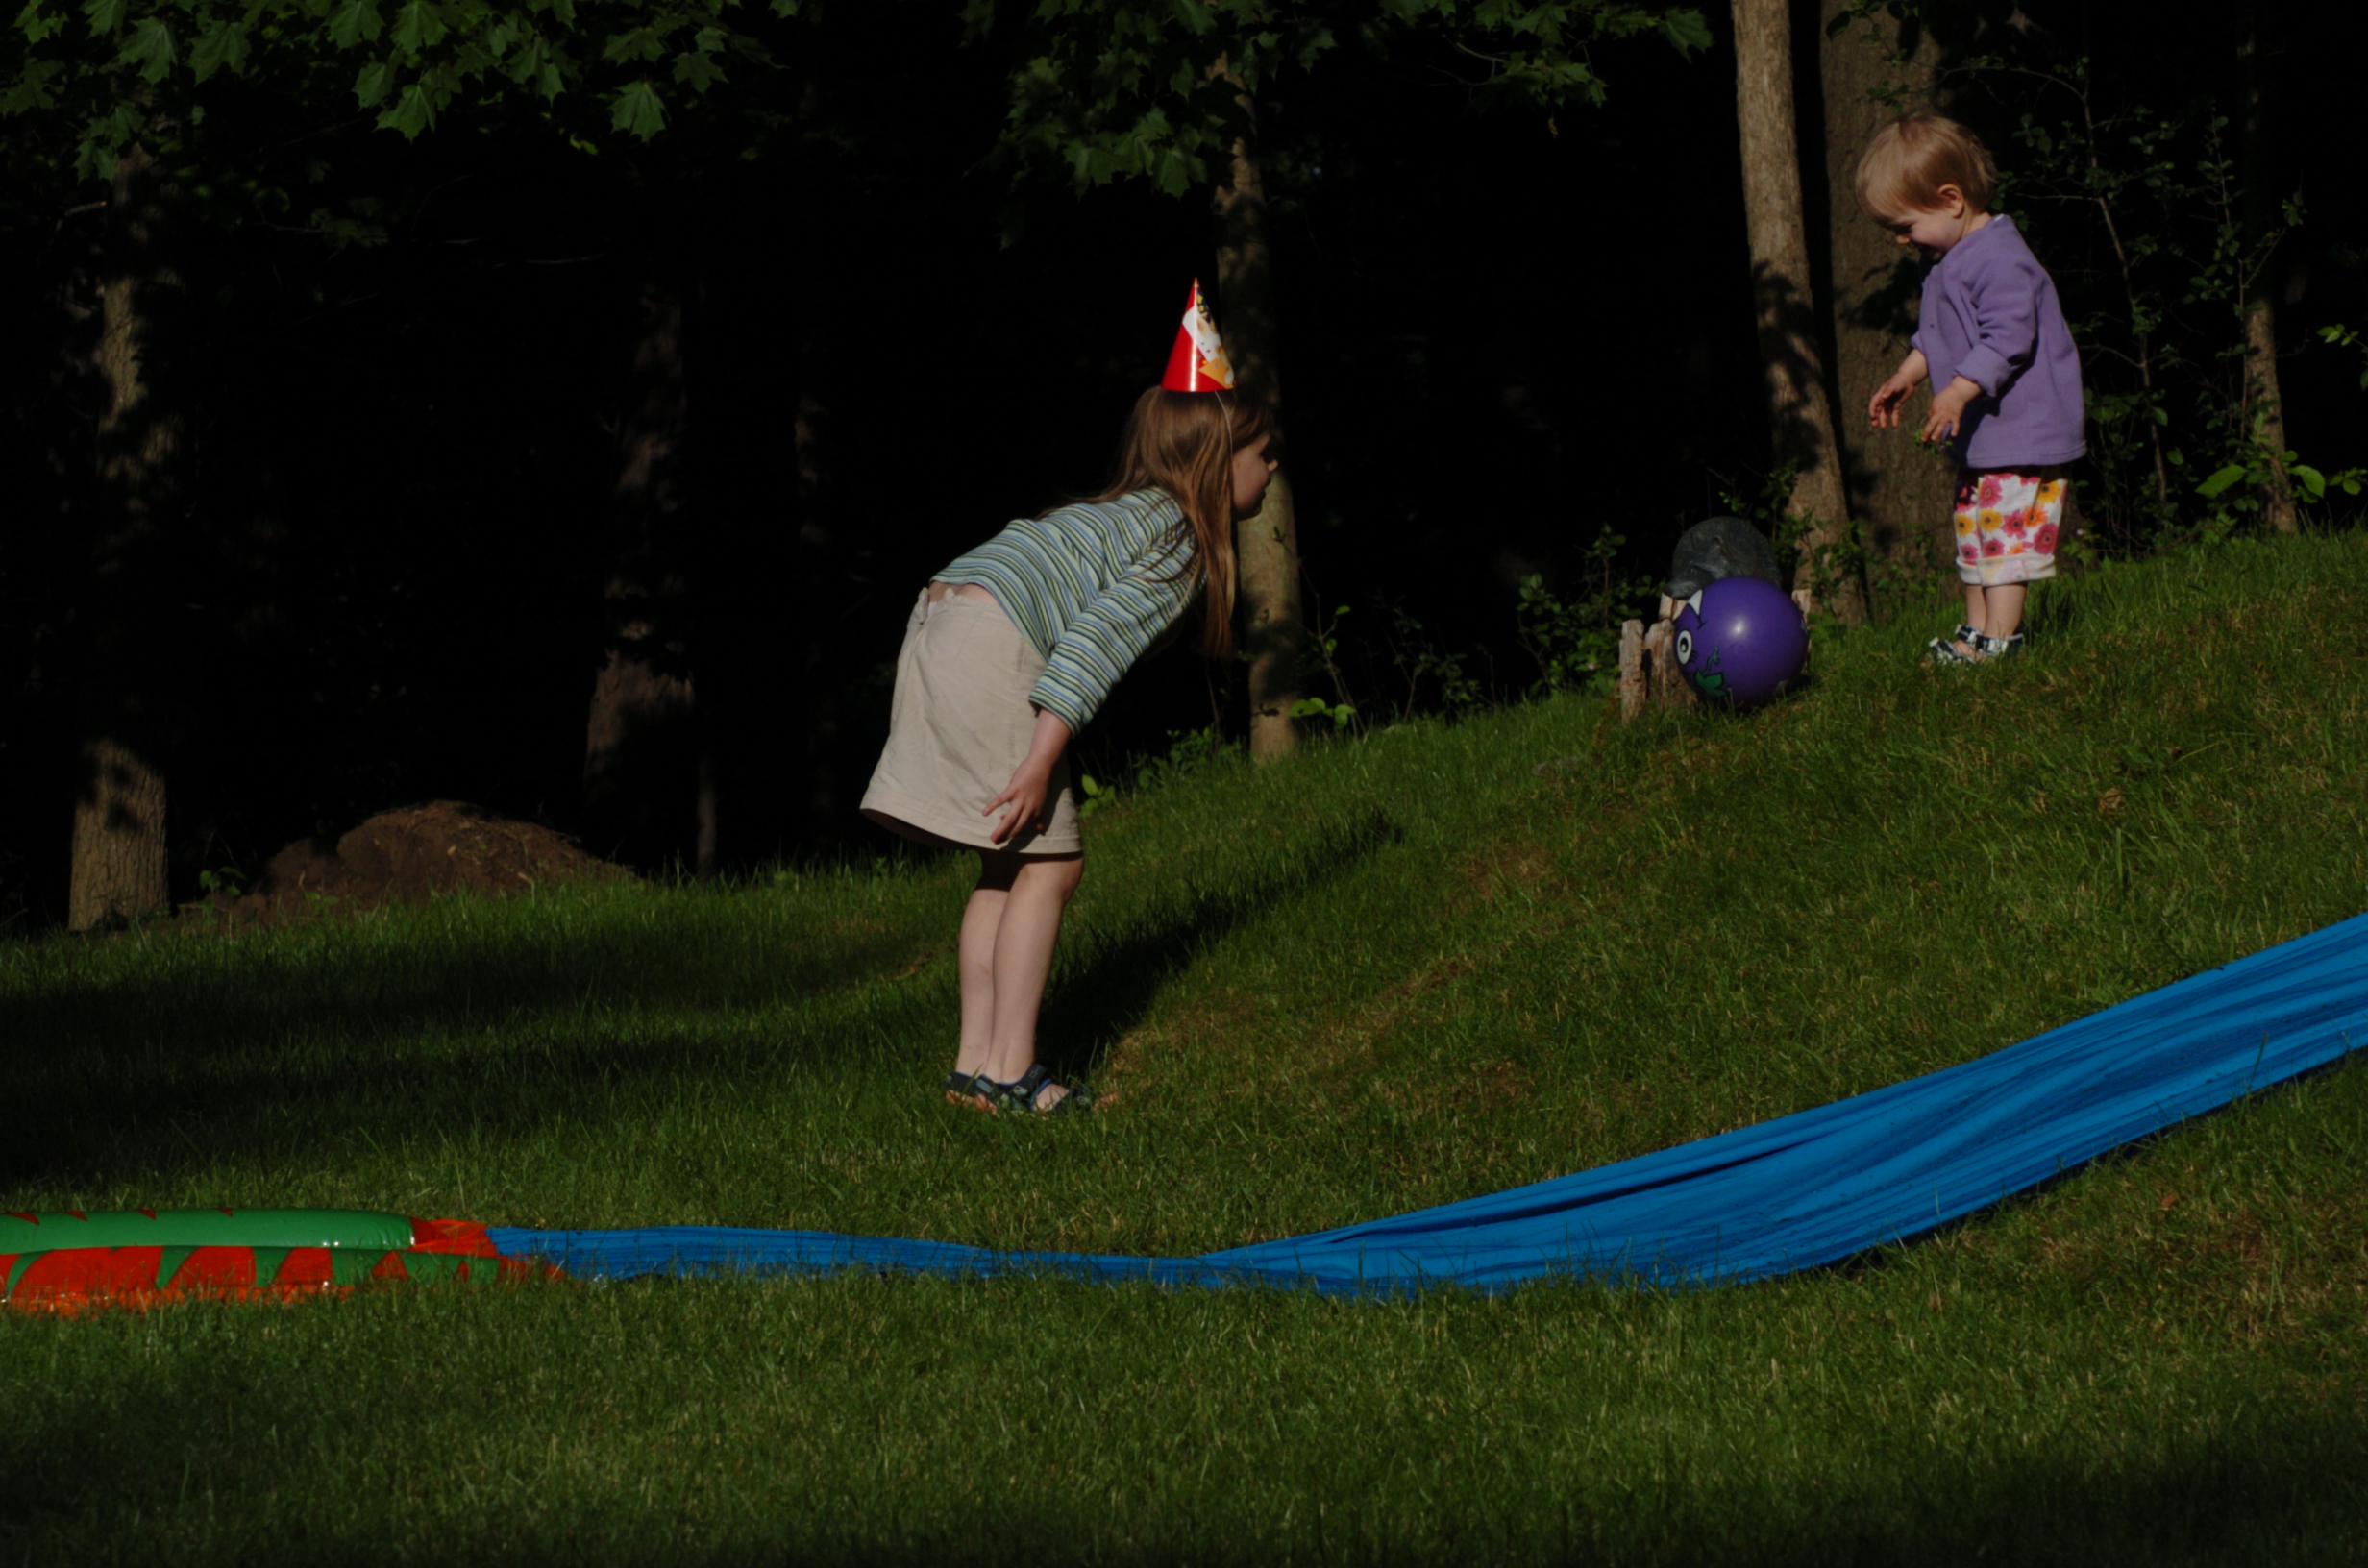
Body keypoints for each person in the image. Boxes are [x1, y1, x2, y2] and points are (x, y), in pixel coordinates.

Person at [859, 282, 1277, 1115]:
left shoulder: (1121, 513)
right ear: (1217, 461)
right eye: (1263, 455)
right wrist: (1038, 759)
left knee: (1007, 863)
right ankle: (1014, 1073)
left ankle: (973, 1073)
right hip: (994, 638)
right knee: (1055, 863)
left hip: (939, 616)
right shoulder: (1175, 542)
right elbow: (1089, 649)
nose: (1271, 470)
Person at [1859, 111, 2085, 664]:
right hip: (1988, 437)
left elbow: (2009, 335)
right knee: (1975, 532)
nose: (1900, 239)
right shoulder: (1946, 260)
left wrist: (1959, 390)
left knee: (2004, 539)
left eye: (1905, 225)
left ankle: (2000, 642)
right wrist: (1907, 375)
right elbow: (1937, 334)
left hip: (2023, 432)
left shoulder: (1999, 257)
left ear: (1951, 199)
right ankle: (1976, 634)